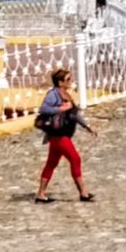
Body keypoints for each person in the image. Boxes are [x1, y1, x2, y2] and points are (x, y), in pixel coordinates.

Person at [33, 67, 95, 202]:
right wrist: (60, 108)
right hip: (58, 135)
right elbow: (44, 108)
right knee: (75, 158)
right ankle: (83, 192)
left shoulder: (66, 95)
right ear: (60, 82)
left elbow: (75, 114)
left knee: (51, 163)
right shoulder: (53, 95)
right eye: (68, 79)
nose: (70, 81)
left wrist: (87, 126)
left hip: (61, 135)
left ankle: (41, 194)